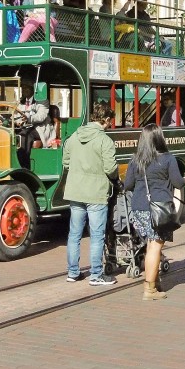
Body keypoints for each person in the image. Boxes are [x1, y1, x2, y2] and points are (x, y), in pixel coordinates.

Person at [122, 124, 185, 300]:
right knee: (156, 246)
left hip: (139, 207)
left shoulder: (135, 160)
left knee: (151, 244)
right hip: (159, 209)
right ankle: (149, 289)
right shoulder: (168, 159)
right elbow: (178, 183)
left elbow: (128, 185)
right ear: (159, 138)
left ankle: (154, 282)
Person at [62, 101, 120, 285]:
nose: (110, 125)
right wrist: (115, 178)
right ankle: (96, 275)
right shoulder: (105, 141)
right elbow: (110, 169)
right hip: (96, 193)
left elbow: (65, 162)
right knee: (96, 235)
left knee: (74, 234)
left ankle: (73, 272)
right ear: (106, 119)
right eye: (110, 121)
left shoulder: (74, 137)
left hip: (75, 191)